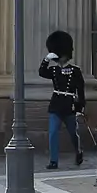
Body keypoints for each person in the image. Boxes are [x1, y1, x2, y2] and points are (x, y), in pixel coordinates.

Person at [39, 30, 85, 170]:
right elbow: (41, 72)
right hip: (56, 104)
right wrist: (46, 59)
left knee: (72, 133)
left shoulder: (75, 71)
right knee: (53, 132)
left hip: (69, 105)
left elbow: (80, 91)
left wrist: (80, 107)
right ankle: (54, 160)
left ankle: (78, 151)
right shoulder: (53, 70)